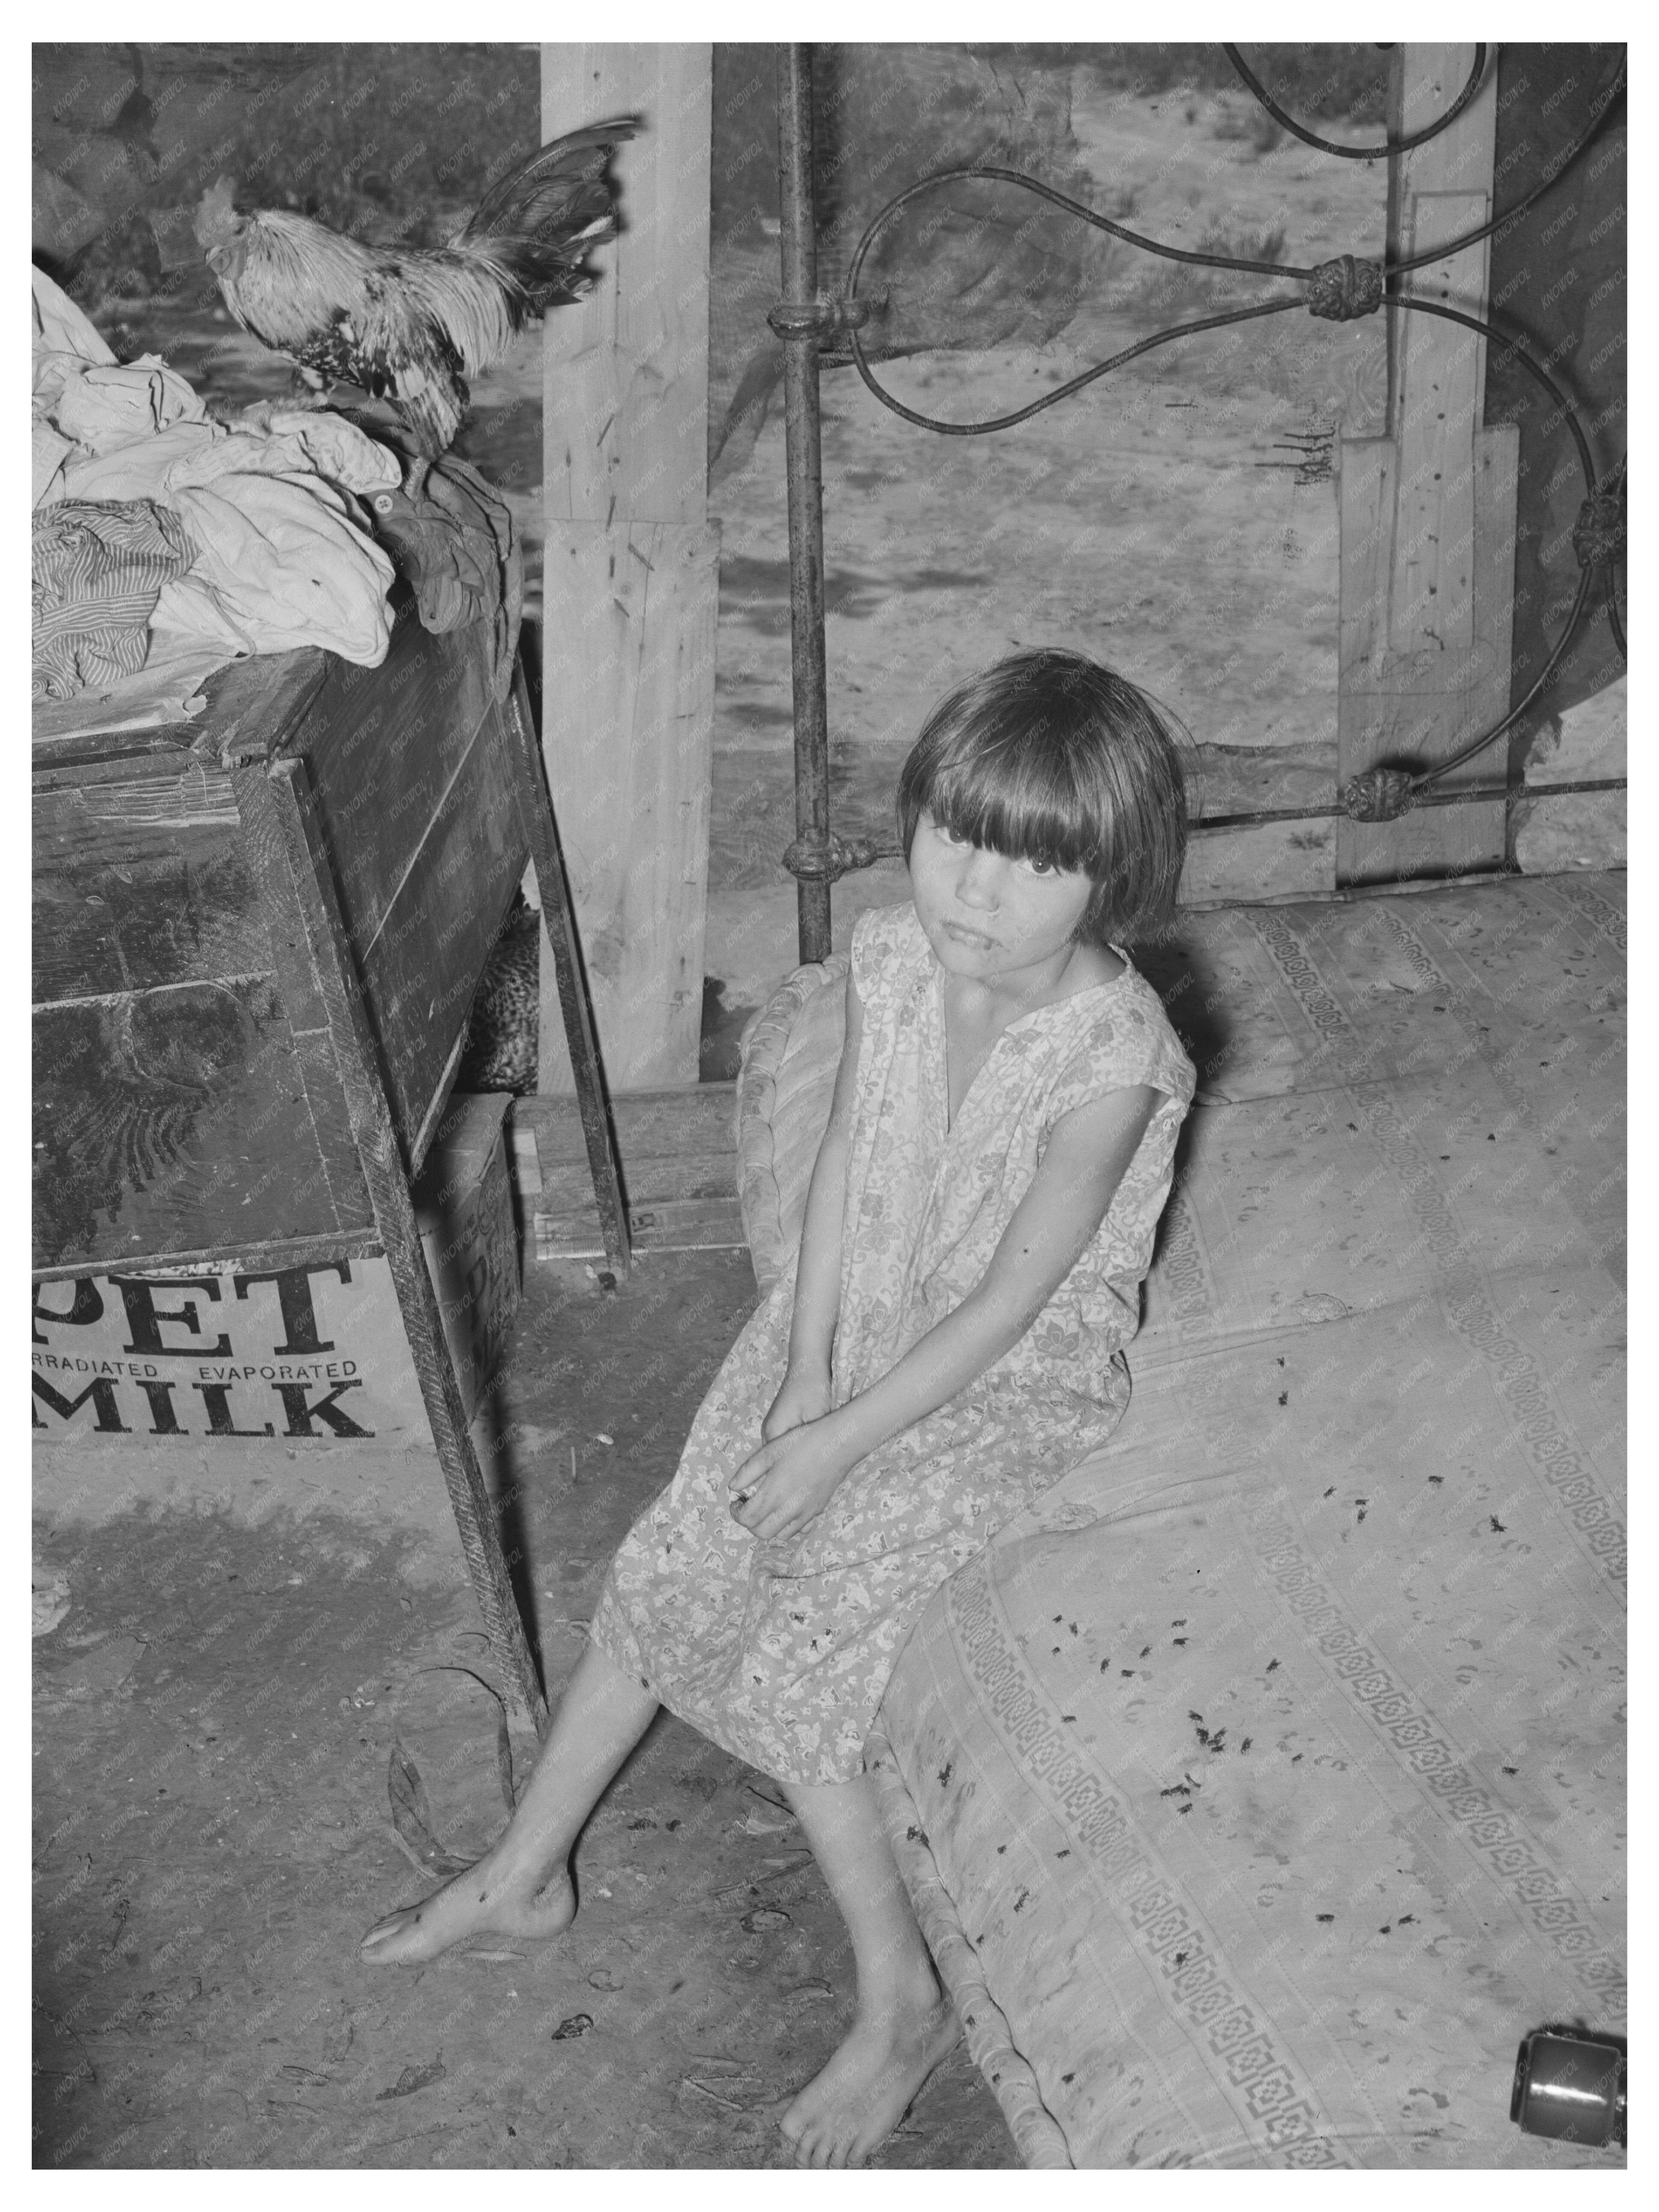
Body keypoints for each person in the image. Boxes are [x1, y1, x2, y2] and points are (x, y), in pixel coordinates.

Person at [361, 648, 1197, 2167]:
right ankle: (524, 1867)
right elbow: (837, 1174)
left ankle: (901, 2007)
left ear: (1112, 876)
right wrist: (802, 1378)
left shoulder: (1116, 1064)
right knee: (677, 1556)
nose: (976, 888)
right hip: (851, 1315)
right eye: (955, 835)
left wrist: (844, 1441)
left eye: (1030, 863)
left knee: (806, 1645)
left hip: (997, 1381)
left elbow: (1012, 1302)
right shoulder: (885, 956)